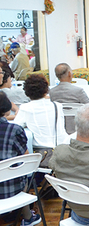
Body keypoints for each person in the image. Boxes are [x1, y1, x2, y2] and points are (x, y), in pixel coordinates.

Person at [0, 91, 41, 226]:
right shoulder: (14, 130)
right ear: (6, 109)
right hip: (11, 189)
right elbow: (27, 159)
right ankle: (28, 217)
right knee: (23, 171)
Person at [14, 74, 67, 148]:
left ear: (27, 92)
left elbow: (15, 128)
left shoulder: (25, 108)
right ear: (46, 90)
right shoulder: (57, 105)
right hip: (62, 147)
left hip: (41, 149)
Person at [50, 63, 89, 133]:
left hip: (59, 129)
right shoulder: (78, 91)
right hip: (78, 128)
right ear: (69, 74)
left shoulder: (52, 92)